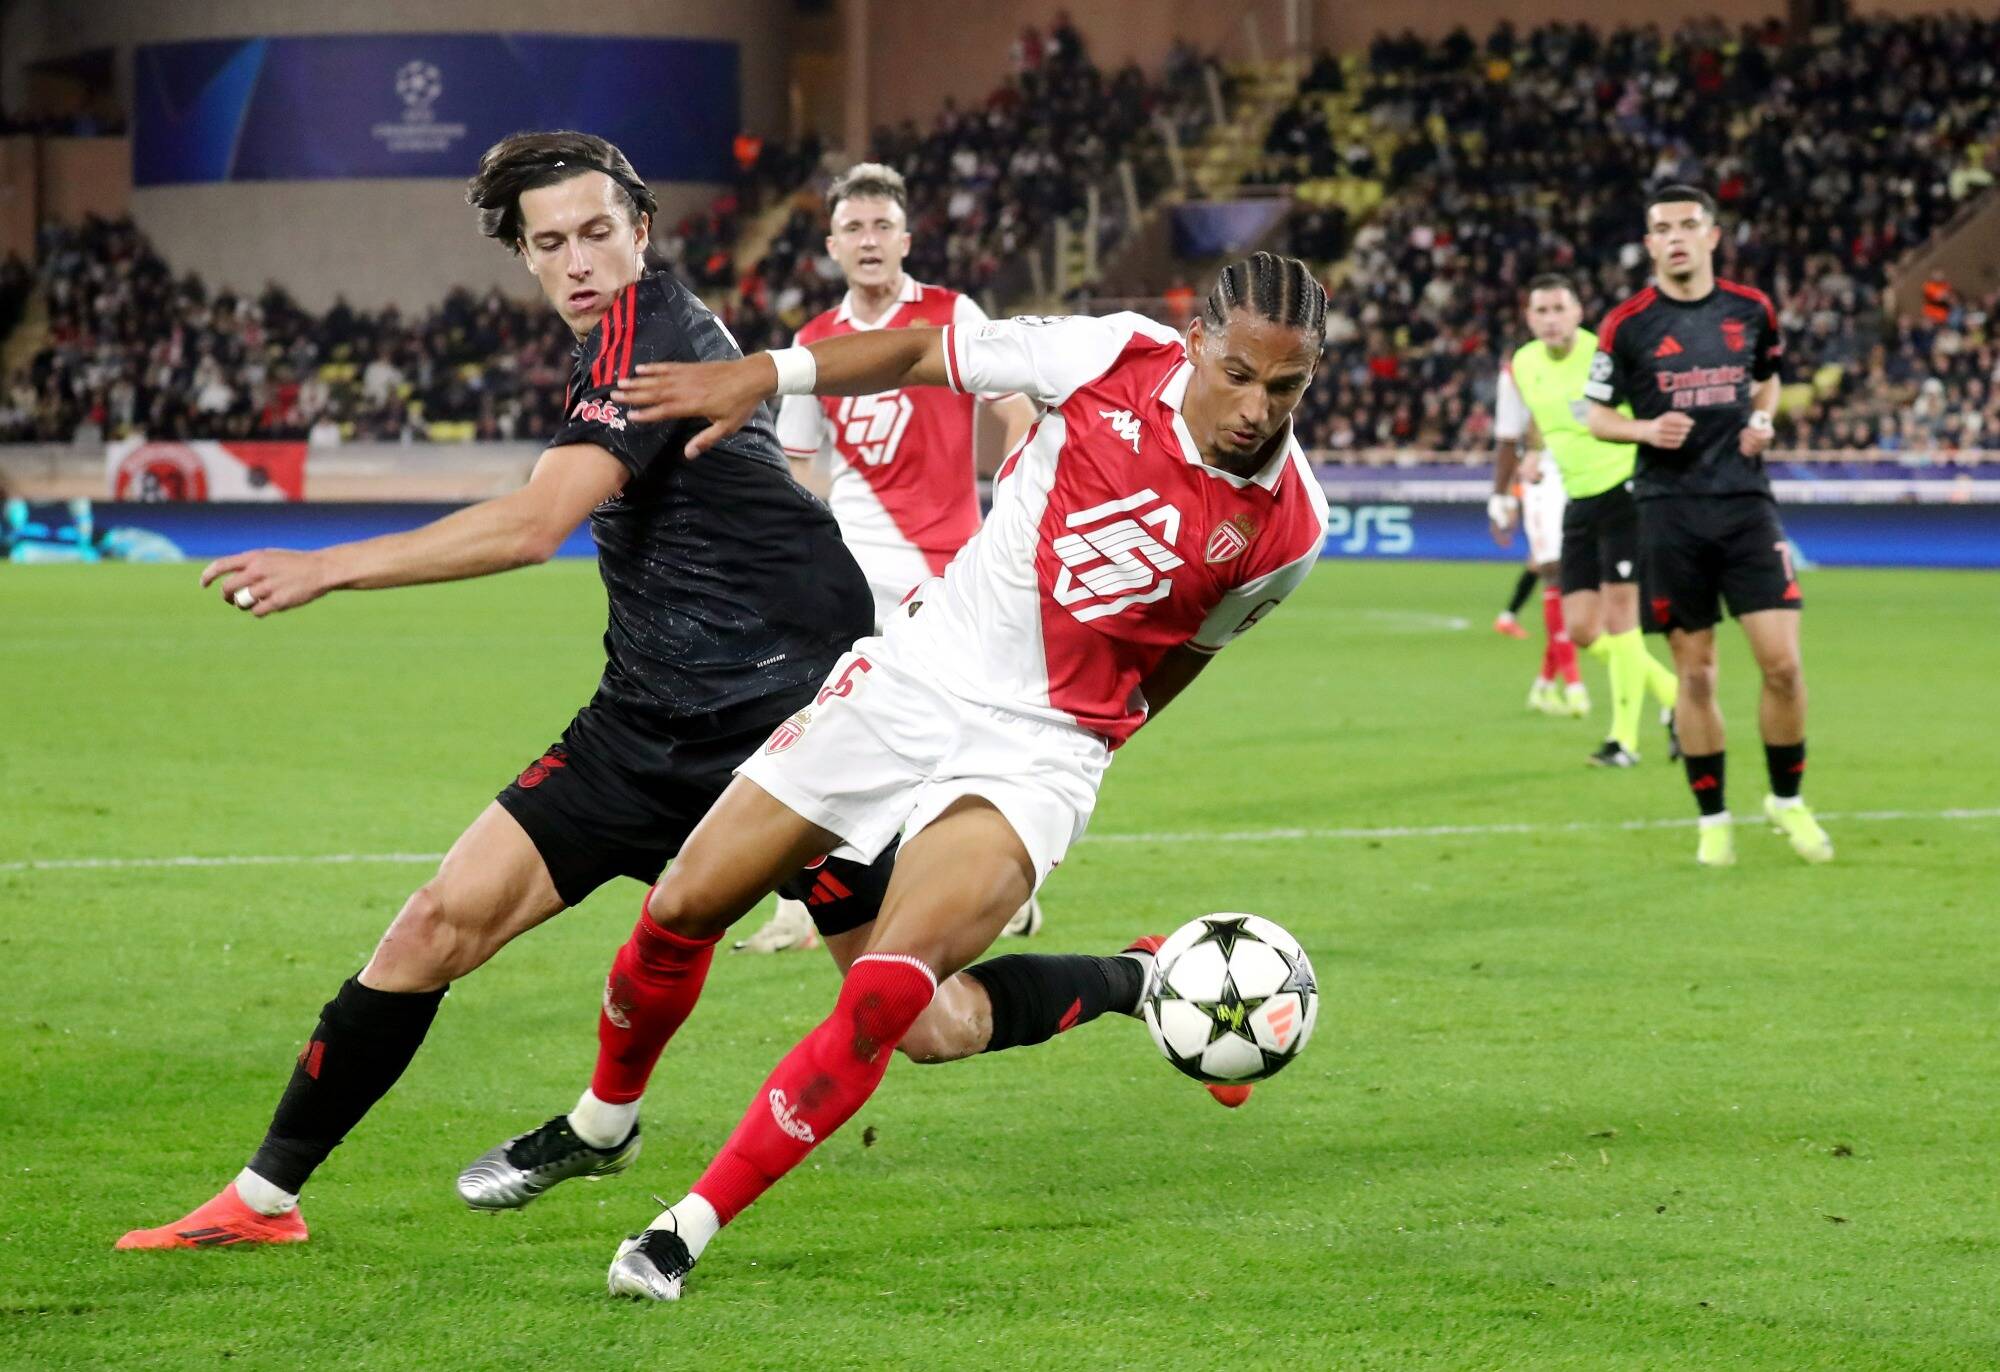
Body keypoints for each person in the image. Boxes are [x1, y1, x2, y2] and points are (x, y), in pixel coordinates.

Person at [114, 132, 1173, 1253]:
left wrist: (329, 564)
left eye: (596, 234)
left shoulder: (649, 333)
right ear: (523, 258)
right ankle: (264, 1199)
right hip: (647, 714)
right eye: (550, 243)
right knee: (435, 922)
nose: (577, 261)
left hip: (797, 721)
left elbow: (533, 527)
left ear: (641, 232)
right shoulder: (612, 338)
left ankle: (1132, 976)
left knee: (927, 1023)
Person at [557, 251, 1332, 1302]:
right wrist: (764, 375)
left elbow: (1189, 651)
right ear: (1195, 341)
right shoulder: (1108, 353)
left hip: (1039, 748)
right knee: (683, 901)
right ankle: (602, 1121)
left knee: (890, 995)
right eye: (1237, 372)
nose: (1255, 406)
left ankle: (682, 1229)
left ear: (1313, 372)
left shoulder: (1289, 529)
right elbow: (926, 349)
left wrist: (1099, 740)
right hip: (911, 679)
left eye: (1284, 385)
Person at [738, 161, 1038, 954]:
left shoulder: (950, 314)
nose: (869, 241)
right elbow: (799, 467)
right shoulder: (813, 345)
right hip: (850, 580)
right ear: (831, 245)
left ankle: (999, 887)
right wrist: (802, 563)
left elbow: (1018, 412)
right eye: (853, 228)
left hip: (948, 574)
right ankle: (802, 908)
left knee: (962, 738)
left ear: (905, 240)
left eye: (882, 226)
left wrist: (1013, 509)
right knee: (809, 728)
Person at [1584, 186, 1831, 866]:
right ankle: (1713, 816)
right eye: (1662, 228)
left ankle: (1786, 798)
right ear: (1650, 240)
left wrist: (1762, 418)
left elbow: (1770, 375)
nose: (1676, 238)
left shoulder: (1752, 310)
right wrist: (1643, 428)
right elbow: (1594, 415)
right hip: (1668, 513)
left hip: (1747, 505)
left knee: (1782, 664)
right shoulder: (1626, 323)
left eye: (1689, 225)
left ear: (1713, 235)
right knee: (1695, 678)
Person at [1492, 273, 1679, 766]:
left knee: (1621, 619)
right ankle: (1674, 694)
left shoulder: (1606, 357)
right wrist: (1527, 465)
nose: (1551, 320)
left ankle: (1624, 741)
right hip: (1578, 499)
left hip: (1624, 494)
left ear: (1578, 313)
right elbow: (1527, 429)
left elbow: (1645, 415)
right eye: (1541, 311)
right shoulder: (1524, 365)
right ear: (1529, 318)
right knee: (1581, 630)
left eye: (1560, 309)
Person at [1491, 435, 1586, 718]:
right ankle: (1573, 686)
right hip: (1552, 518)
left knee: (1564, 603)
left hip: (1564, 514)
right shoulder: (1539, 463)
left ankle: (1542, 686)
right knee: (1559, 594)